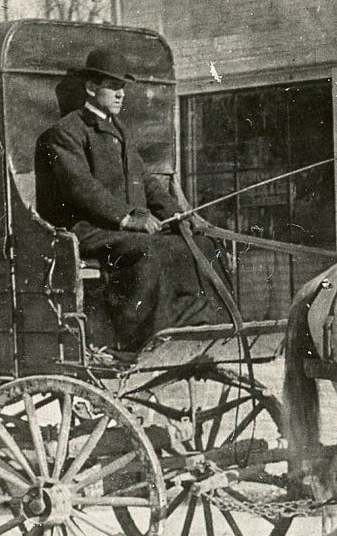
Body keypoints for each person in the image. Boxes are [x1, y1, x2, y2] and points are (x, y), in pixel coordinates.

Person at [35, 47, 215, 353]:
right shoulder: (67, 133)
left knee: (200, 244)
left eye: (122, 88)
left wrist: (181, 216)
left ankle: (201, 326)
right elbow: (81, 188)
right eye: (113, 87)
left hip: (123, 230)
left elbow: (146, 181)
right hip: (88, 230)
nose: (120, 95)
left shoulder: (120, 130)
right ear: (91, 88)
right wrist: (128, 218)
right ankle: (141, 339)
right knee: (150, 251)